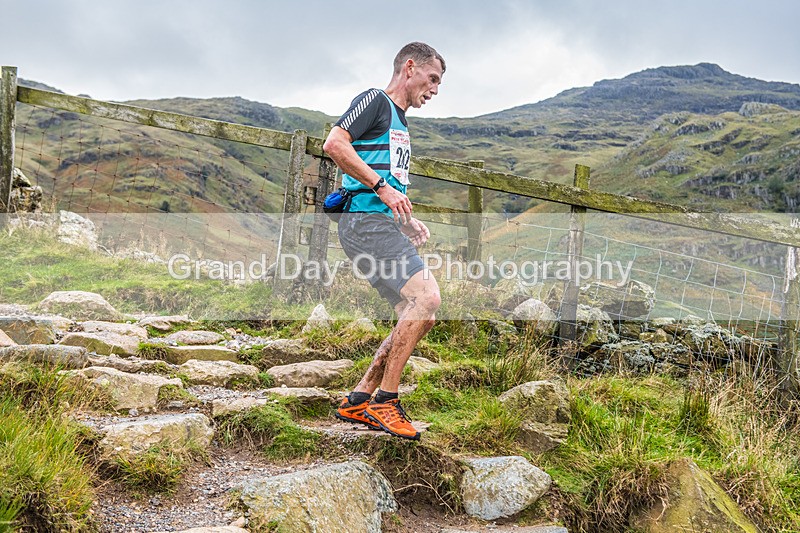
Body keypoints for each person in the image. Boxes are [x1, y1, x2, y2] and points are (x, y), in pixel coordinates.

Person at [322, 42, 445, 440]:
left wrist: (403, 218)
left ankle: (360, 397)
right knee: (427, 299)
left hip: (380, 223)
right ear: (410, 68)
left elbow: (387, 185)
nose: (435, 89)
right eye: (433, 79)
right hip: (363, 223)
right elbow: (334, 144)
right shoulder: (375, 101)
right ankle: (386, 403)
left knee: (417, 313)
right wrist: (382, 190)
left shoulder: (400, 123)